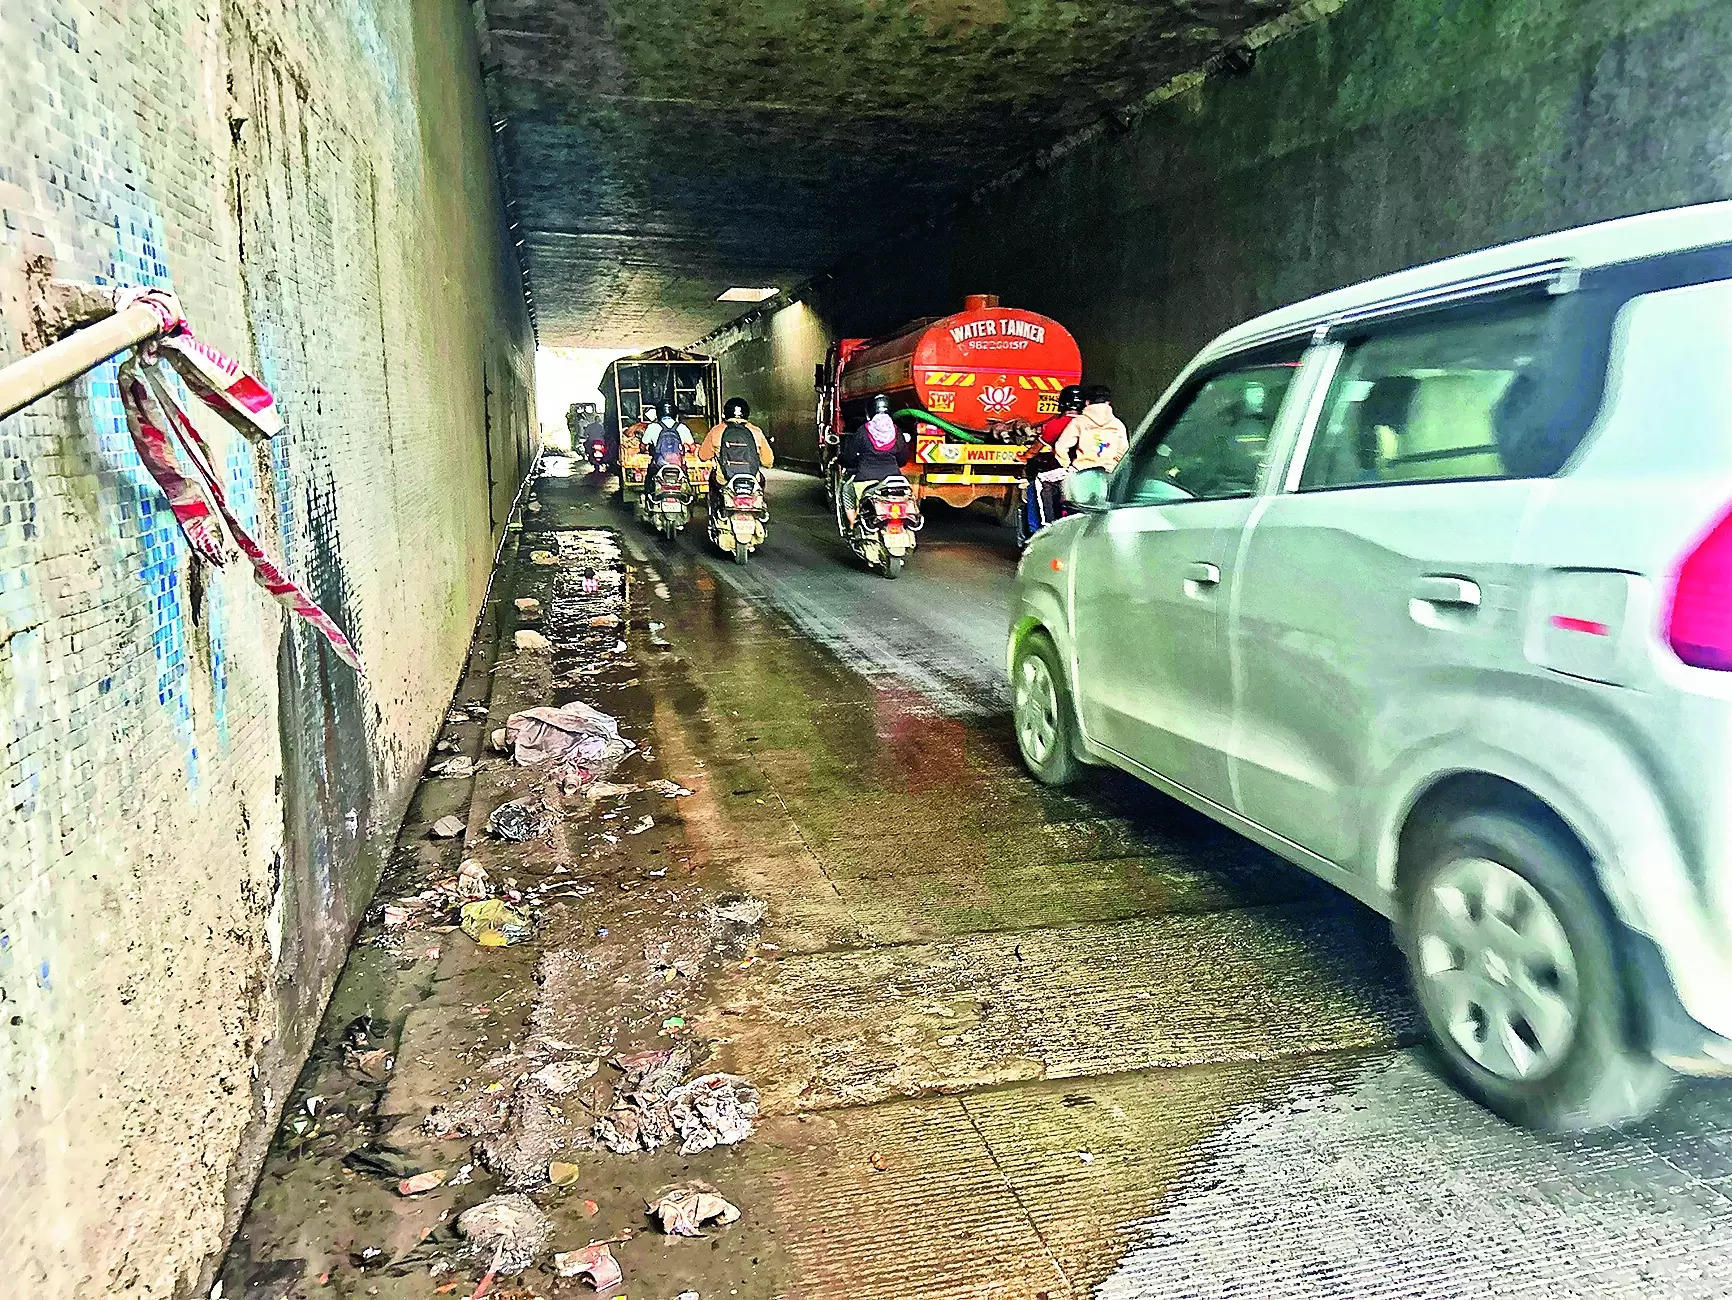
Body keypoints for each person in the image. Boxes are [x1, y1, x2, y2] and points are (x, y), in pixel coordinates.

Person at [839, 393, 912, 530]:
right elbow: (903, 458)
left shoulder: (863, 431)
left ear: (870, 412)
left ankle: (852, 523)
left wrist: (845, 461)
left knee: (847, 489)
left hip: (865, 479)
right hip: (893, 479)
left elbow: (850, 457)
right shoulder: (897, 432)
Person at [1024, 384, 1086, 534]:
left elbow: (1034, 450)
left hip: (1066, 470)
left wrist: (1024, 456)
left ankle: (1042, 529)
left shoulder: (1055, 425)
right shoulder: (1095, 424)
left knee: (1038, 483)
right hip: (1091, 471)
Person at [699, 396, 775, 513]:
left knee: (713, 478)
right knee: (761, 480)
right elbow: (768, 462)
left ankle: (715, 511)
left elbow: (703, 456)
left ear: (725, 413)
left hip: (724, 479)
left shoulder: (716, 431)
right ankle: (759, 509)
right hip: (751, 480)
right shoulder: (756, 431)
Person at [1054, 383, 1128, 480]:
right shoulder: (1118, 424)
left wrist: (1066, 465)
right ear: (1108, 403)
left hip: (1082, 471)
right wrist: (1113, 464)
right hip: (1109, 473)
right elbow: (1124, 449)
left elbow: (1061, 446)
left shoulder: (1079, 421)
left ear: (1087, 403)